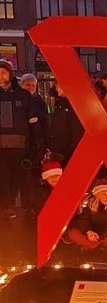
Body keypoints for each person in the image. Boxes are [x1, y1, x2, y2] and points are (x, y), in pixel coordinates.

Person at [0, 59, 35, 222]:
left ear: (10, 74)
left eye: (3, 72)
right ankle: (4, 209)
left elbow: (33, 122)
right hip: (1, 147)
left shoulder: (23, 95)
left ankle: (12, 206)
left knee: (16, 179)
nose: (0, 76)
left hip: (20, 147)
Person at [67, 179, 107, 254]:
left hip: (105, 235)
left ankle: (91, 245)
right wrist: (88, 232)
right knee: (73, 233)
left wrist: (100, 236)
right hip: (90, 234)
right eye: (104, 194)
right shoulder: (90, 205)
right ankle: (101, 245)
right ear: (97, 195)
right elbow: (83, 220)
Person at [19, 73, 50, 218]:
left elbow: (45, 122)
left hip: (38, 143)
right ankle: (26, 206)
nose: (30, 88)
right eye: (27, 85)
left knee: (36, 176)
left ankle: (36, 205)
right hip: (22, 143)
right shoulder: (18, 100)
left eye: (32, 85)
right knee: (23, 178)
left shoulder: (39, 102)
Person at [48, 82, 84, 165]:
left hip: (67, 147)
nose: (56, 88)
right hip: (63, 147)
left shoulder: (68, 105)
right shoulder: (61, 104)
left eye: (58, 85)